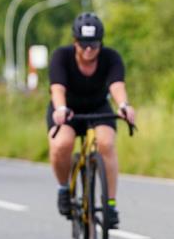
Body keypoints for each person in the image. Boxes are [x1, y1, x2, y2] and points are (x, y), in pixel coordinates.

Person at [47, 12, 135, 228]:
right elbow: (57, 88)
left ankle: (110, 205)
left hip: (98, 108)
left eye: (94, 45)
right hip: (67, 110)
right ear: (75, 41)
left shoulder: (111, 57)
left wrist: (124, 106)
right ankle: (63, 188)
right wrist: (60, 108)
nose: (88, 50)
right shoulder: (61, 56)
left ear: (101, 43)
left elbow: (117, 86)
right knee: (62, 144)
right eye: (83, 44)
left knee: (106, 143)